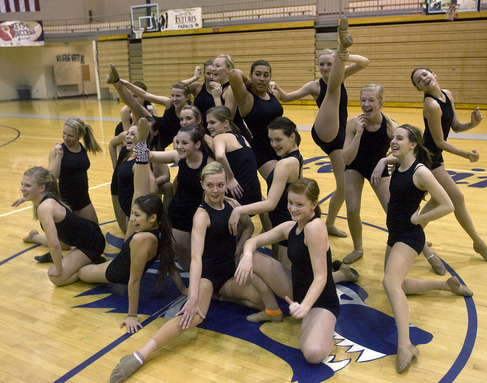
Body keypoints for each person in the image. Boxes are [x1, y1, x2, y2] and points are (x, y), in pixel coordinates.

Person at [109, 162, 264, 383]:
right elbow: (196, 258)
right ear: (202, 185)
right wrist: (192, 296)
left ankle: (220, 296)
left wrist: (240, 248)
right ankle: (139, 355)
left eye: (220, 185)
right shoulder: (201, 215)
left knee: (261, 302)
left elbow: (248, 227)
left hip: (228, 273)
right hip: (209, 275)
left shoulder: (232, 205)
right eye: (210, 185)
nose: (216, 190)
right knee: (193, 315)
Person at [77, 118, 186, 332]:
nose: (132, 219)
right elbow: (138, 277)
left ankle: (142, 144)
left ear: (153, 218)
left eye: (137, 215)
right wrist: (132, 315)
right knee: (80, 273)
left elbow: (146, 273)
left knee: (82, 272)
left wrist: (183, 289)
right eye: (133, 215)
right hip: (117, 267)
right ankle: (142, 145)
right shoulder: (153, 230)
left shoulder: (145, 235)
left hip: (118, 268)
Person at [381, 124, 473, 373]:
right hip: (395, 233)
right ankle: (446, 285)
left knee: (391, 283)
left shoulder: (420, 171)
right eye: (392, 138)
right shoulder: (399, 164)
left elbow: (447, 204)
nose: (393, 141)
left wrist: (419, 219)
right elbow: (393, 156)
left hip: (410, 235)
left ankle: (405, 345)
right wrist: (382, 160)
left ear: (413, 144)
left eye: (399, 138)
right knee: (394, 284)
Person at [272, 25, 368, 237]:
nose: (325, 68)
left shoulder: (341, 73)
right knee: (343, 185)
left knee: (342, 188)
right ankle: (327, 224)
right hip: (326, 132)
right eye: (322, 64)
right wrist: (276, 87)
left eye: (329, 64)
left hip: (340, 132)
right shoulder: (314, 86)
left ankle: (329, 224)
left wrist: (344, 56)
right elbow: (287, 97)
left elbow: (364, 63)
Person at [235, 178, 340, 364]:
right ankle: (272, 311)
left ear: (314, 204)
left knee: (313, 354)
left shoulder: (315, 227)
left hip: (320, 301)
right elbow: (253, 242)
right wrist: (248, 256)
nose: (292, 208)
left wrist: (305, 307)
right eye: (290, 202)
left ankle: (325, 332)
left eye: (299, 204)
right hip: (296, 291)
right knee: (249, 258)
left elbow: (322, 276)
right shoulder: (290, 227)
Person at [342, 83, 443, 276]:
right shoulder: (354, 123)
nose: (366, 104)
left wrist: (384, 160)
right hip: (354, 166)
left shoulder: (390, 126)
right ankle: (358, 248)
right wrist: (359, 135)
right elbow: (346, 158)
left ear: (380, 103)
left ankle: (426, 251)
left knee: (395, 212)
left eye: (371, 100)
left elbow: (406, 154)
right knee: (352, 208)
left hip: (378, 168)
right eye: (363, 100)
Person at [411, 67, 487, 262]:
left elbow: (456, 127)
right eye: (418, 80)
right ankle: (478, 243)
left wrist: (472, 124)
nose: (423, 79)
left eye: (425, 74)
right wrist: (466, 154)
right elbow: (439, 142)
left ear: (434, 74)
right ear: (418, 89)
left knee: (438, 198)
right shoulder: (431, 105)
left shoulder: (447, 95)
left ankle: (415, 233)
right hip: (428, 156)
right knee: (456, 198)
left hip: (435, 154)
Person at [17, 117, 102, 259]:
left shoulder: (83, 148)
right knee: (65, 244)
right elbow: (51, 178)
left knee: (95, 234)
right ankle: (35, 237)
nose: (65, 137)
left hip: (83, 198)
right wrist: (59, 157)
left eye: (70, 135)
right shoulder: (57, 151)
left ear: (79, 136)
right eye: (64, 133)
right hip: (64, 201)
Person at [227, 117, 303, 267]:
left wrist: (238, 210)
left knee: (290, 283)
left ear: (292, 136)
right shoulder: (295, 157)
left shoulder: (285, 163)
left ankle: (339, 274)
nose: (273, 145)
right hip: (282, 224)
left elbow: (271, 203)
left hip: (285, 224)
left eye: (278, 140)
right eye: (271, 140)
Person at [16, 166, 106, 286]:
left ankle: (91, 264)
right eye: (22, 184)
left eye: (27, 186)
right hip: (83, 234)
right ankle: (34, 238)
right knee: (64, 244)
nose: (22, 188)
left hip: (92, 244)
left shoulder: (45, 207)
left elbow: (54, 245)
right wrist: (24, 197)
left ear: (42, 188)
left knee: (57, 279)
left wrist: (59, 269)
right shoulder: (46, 196)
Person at [148, 125, 213, 270]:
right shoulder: (178, 157)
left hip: (201, 215)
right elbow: (150, 156)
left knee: (204, 257)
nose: (179, 147)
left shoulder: (210, 163)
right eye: (177, 142)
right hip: (179, 214)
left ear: (197, 144)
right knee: (184, 261)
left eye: (184, 143)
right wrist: (140, 145)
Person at [106, 64, 191, 151]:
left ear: (187, 97)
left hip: (162, 140)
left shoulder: (190, 112)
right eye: (172, 95)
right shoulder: (169, 103)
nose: (174, 99)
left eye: (178, 96)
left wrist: (195, 77)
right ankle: (116, 82)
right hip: (155, 128)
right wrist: (126, 83)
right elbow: (145, 94)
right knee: (134, 105)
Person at [228, 59, 283, 178]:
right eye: (257, 74)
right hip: (262, 151)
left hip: (284, 147)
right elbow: (234, 73)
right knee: (277, 181)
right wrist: (249, 84)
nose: (262, 78)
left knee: (295, 187)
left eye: (266, 75)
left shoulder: (273, 94)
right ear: (250, 76)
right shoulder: (246, 98)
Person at [205, 105, 262, 205]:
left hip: (239, 194)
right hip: (255, 194)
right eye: (207, 123)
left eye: (212, 122)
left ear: (226, 123)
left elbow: (220, 155)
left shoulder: (220, 137)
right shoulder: (241, 137)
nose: (208, 126)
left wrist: (230, 178)